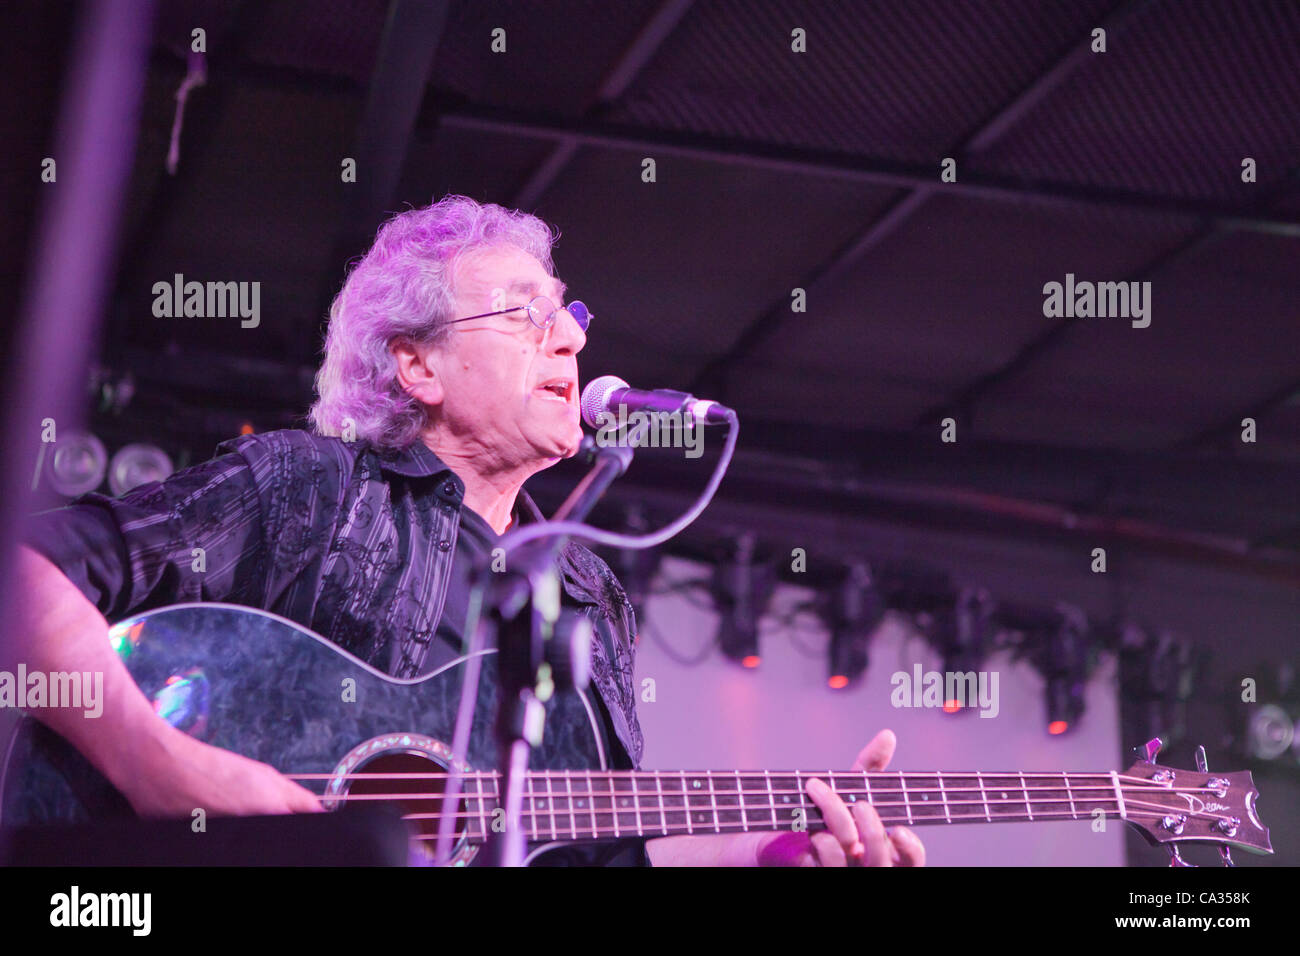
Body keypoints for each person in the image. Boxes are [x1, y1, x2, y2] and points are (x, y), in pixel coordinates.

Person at [13, 195, 924, 867]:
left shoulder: (587, 596)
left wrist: (779, 862)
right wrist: (156, 766)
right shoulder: (310, 488)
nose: (568, 340)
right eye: (525, 315)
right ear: (417, 365)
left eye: (565, 315)